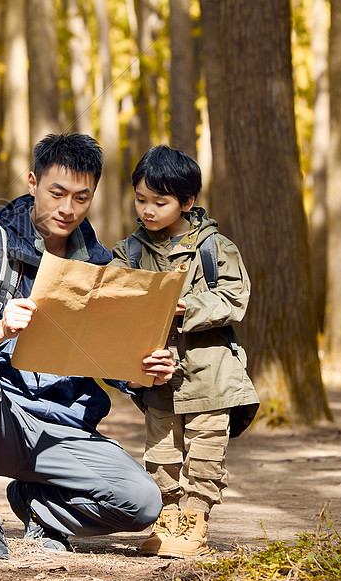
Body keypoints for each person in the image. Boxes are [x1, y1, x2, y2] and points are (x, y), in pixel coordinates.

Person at [0, 133, 172, 559]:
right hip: (3, 420)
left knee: (143, 502)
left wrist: (145, 371)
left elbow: (111, 359)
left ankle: (40, 509)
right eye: (56, 193)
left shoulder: (101, 266)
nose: (67, 209)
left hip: (66, 429)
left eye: (81, 197)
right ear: (32, 183)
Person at [109, 145, 259, 558]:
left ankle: (194, 522)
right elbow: (116, 301)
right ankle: (167, 523)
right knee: (161, 457)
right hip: (158, 375)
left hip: (212, 373)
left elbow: (235, 297)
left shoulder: (215, 247)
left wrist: (187, 306)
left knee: (206, 454)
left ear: (186, 201)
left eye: (161, 201)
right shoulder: (131, 251)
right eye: (141, 200)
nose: (149, 210)